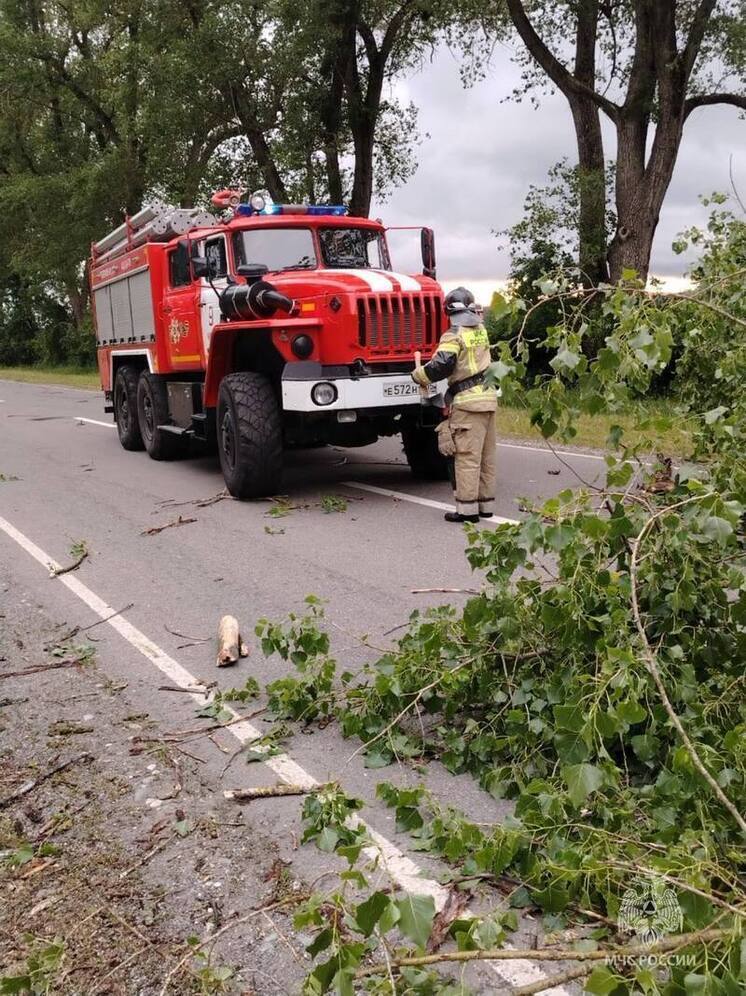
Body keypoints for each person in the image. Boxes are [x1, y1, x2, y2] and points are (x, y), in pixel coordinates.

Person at [411, 287, 497, 523]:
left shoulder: (454, 334)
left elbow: (442, 365)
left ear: (448, 310)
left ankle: (467, 510)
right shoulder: (481, 330)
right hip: (488, 398)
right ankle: (485, 505)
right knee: (486, 457)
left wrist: (419, 375)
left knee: (467, 457)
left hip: (468, 403)